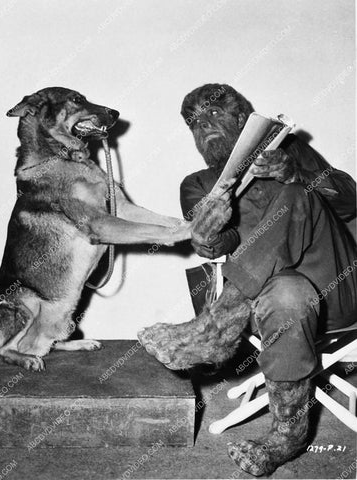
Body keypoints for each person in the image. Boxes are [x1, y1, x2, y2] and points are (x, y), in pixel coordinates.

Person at [138, 84, 357, 476]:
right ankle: (288, 433)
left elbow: (350, 200)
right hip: (272, 300)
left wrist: (298, 173)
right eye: (195, 123)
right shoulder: (198, 185)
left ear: (244, 120)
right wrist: (204, 232)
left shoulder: (289, 150)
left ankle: (214, 327)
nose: (204, 126)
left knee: (297, 196)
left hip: (339, 286)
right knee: (288, 295)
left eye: (214, 115)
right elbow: (218, 246)